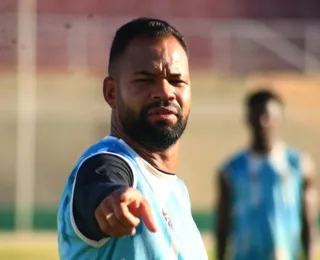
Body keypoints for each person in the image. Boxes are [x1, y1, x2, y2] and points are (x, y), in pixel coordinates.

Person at [57, 17, 208, 260]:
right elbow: (100, 182)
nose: (165, 91)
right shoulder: (109, 163)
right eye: (145, 80)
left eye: (177, 80)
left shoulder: (177, 192)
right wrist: (110, 199)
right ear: (111, 92)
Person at [215, 89, 318, 260]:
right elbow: (223, 224)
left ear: (280, 119)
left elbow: (308, 221)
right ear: (247, 119)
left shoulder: (299, 165)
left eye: (269, 116)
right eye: (258, 116)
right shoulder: (231, 171)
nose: (263, 122)